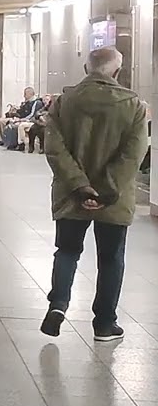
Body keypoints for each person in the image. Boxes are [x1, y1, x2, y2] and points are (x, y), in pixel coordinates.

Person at [40, 47, 148, 342]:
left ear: (87, 69)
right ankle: (104, 323)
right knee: (111, 259)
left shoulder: (64, 102)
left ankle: (58, 305)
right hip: (114, 200)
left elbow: (54, 149)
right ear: (116, 71)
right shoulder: (134, 105)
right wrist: (106, 190)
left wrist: (80, 186)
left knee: (67, 251)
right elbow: (134, 154)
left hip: (70, 195)